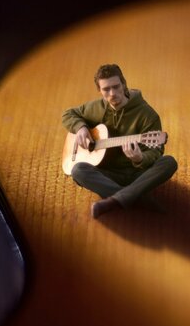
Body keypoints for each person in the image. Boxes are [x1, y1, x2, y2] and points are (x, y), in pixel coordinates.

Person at [62, 64, 178, 218]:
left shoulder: (147, 115)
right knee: (78, 170)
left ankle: (112, 200)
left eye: (116, 87)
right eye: (106, 90)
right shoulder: (96, 108)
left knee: (169, 162)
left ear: (124, 84)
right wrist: (81, 128)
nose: (112, 93)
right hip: (108, 173)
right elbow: (68, 114)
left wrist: (140, 158)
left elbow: (156, 151)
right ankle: (137, 199)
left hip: (138, 173)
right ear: (99, 91)